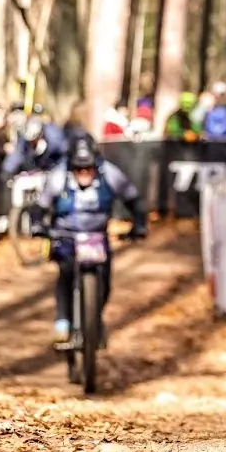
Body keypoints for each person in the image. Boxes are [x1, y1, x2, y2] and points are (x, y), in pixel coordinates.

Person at [32, 132, 144, 344]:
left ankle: (94, 319)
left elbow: (132, 197)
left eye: (88, 168)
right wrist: (39, 224)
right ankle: (62, 320)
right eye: (78, 169)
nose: (84, 173)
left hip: (98, 237)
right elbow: (41, 205)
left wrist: (139, 224)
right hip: (66, 236)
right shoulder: (58, 176)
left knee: (106, 283)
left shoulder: (109, 173)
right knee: (65, 274)